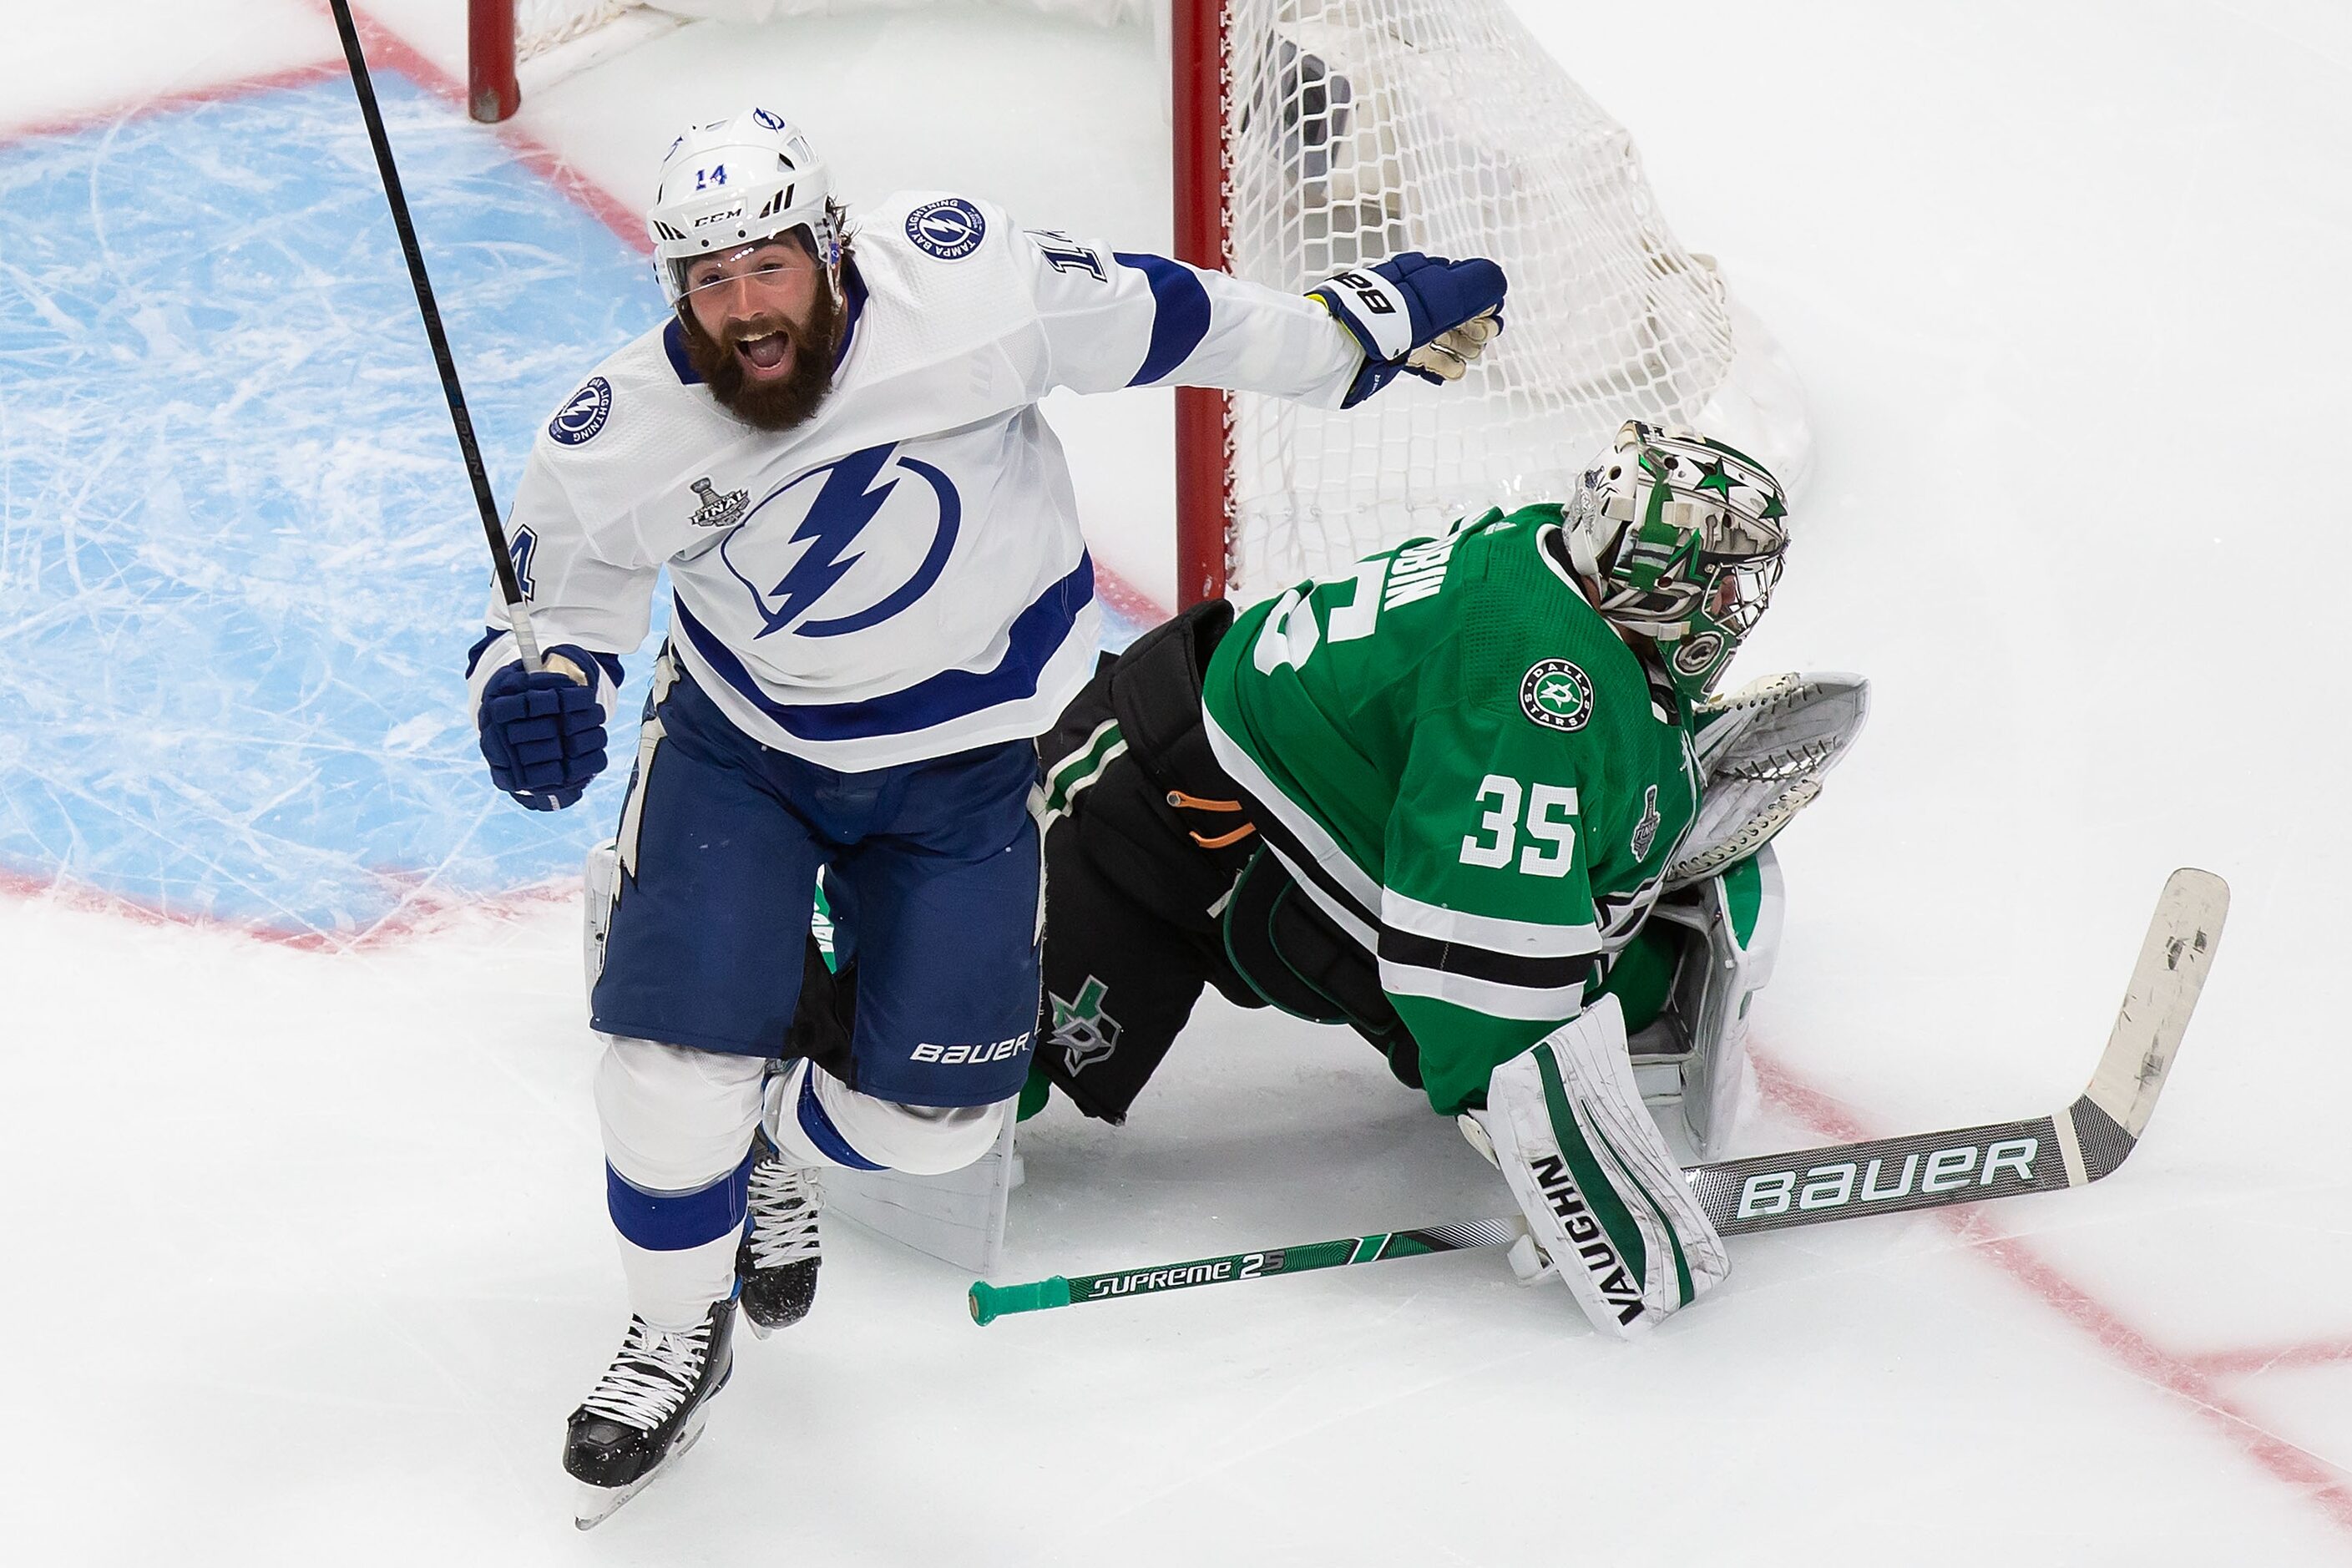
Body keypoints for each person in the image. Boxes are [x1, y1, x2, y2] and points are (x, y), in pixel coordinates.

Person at [463, 106, 1507, 1520]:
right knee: (662, 1082)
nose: (744, 313)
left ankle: (766, 1136)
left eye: (768, 268)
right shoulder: (619, 433)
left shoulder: (961, 286)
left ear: (829, 247)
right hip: (743, 751)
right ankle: (671, 1324)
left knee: (935, 1125)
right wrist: (537, 688)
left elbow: (1166, 314)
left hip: (957, 764)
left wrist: (1344, 337)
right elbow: (551, 607)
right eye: (708, 284)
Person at [985, 419, 1866, 1338]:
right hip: (1159, 818)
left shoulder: (1542, 555)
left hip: (1260, 796)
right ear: (1655, 565)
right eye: (1719, 572)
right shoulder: (1539, 686)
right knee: (966, 1069)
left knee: (1573, 955)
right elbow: (1469, 966)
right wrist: (1573, 1179)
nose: (1733, 601)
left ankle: (1638, 821)